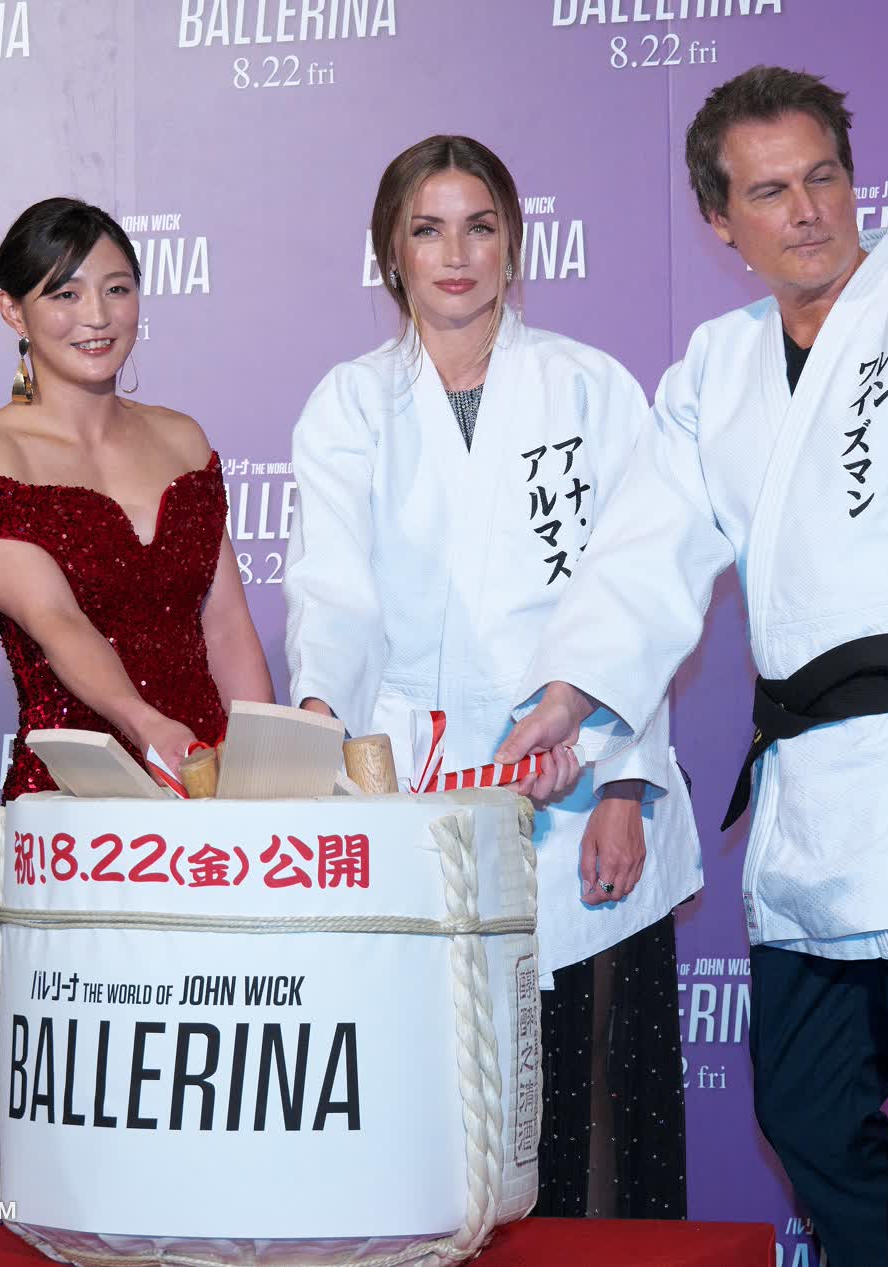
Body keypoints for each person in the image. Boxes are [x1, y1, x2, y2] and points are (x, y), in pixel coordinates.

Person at [497, 69, 888, 1266]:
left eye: (822, 178)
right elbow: (646, 550)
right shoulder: (716, 365)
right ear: (719, 221)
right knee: (804, 1109)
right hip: (813, 799)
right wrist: (570, 693)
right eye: (769, 192)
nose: (806, 212)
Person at [283, 136, 703, 1218]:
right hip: (410, 797)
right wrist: (320, 723)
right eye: (428, 230)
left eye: (480, 227)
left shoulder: (588, 387)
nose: (456, 253)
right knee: (436, 1106)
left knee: (593, 1100)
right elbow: (334, 592)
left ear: (514, 244)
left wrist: (624, 784)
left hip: (576, 783)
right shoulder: (350, 404)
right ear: (392, 252)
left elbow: (636, 589)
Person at [0, 197, 274, 799]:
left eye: (117, 289)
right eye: (65, 294)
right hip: (78, 792)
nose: (97, 316)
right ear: (13, 310)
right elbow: (57, 623)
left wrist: (261, 765)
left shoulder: (183, 439)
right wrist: (144, 726)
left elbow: (226, 623)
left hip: (211, 780)